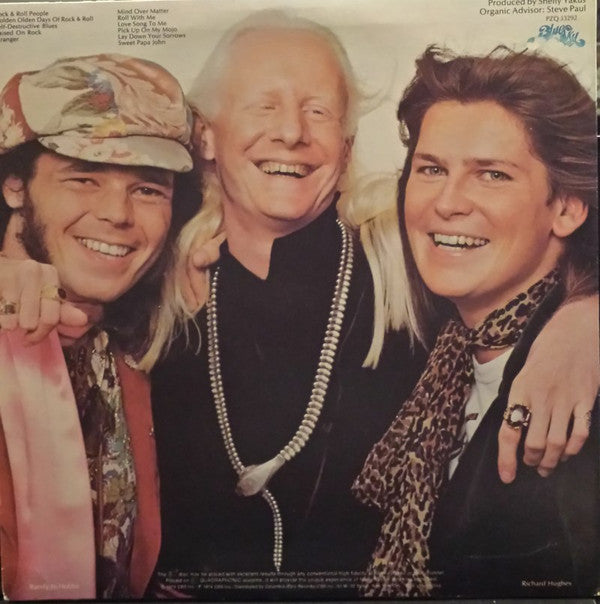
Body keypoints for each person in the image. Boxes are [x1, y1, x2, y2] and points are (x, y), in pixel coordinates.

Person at [149, 11, 598, 599]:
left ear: (349, 144)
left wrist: (585, 316)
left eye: (318, 111)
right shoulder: (153, 272)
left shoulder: (400, 261)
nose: (291, 131)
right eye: (264, 104)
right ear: (205, 134)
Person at [353, 46, 599, 598]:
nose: (448, 202)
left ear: (567, 207)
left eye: (492, 174)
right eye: (431, 169)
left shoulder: (583, 378)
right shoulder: (425, 351)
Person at [0, 54, 199, 599]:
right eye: (83, 177)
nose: (118, 214)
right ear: (14, 185)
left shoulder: (137, 352)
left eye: (148, 189)